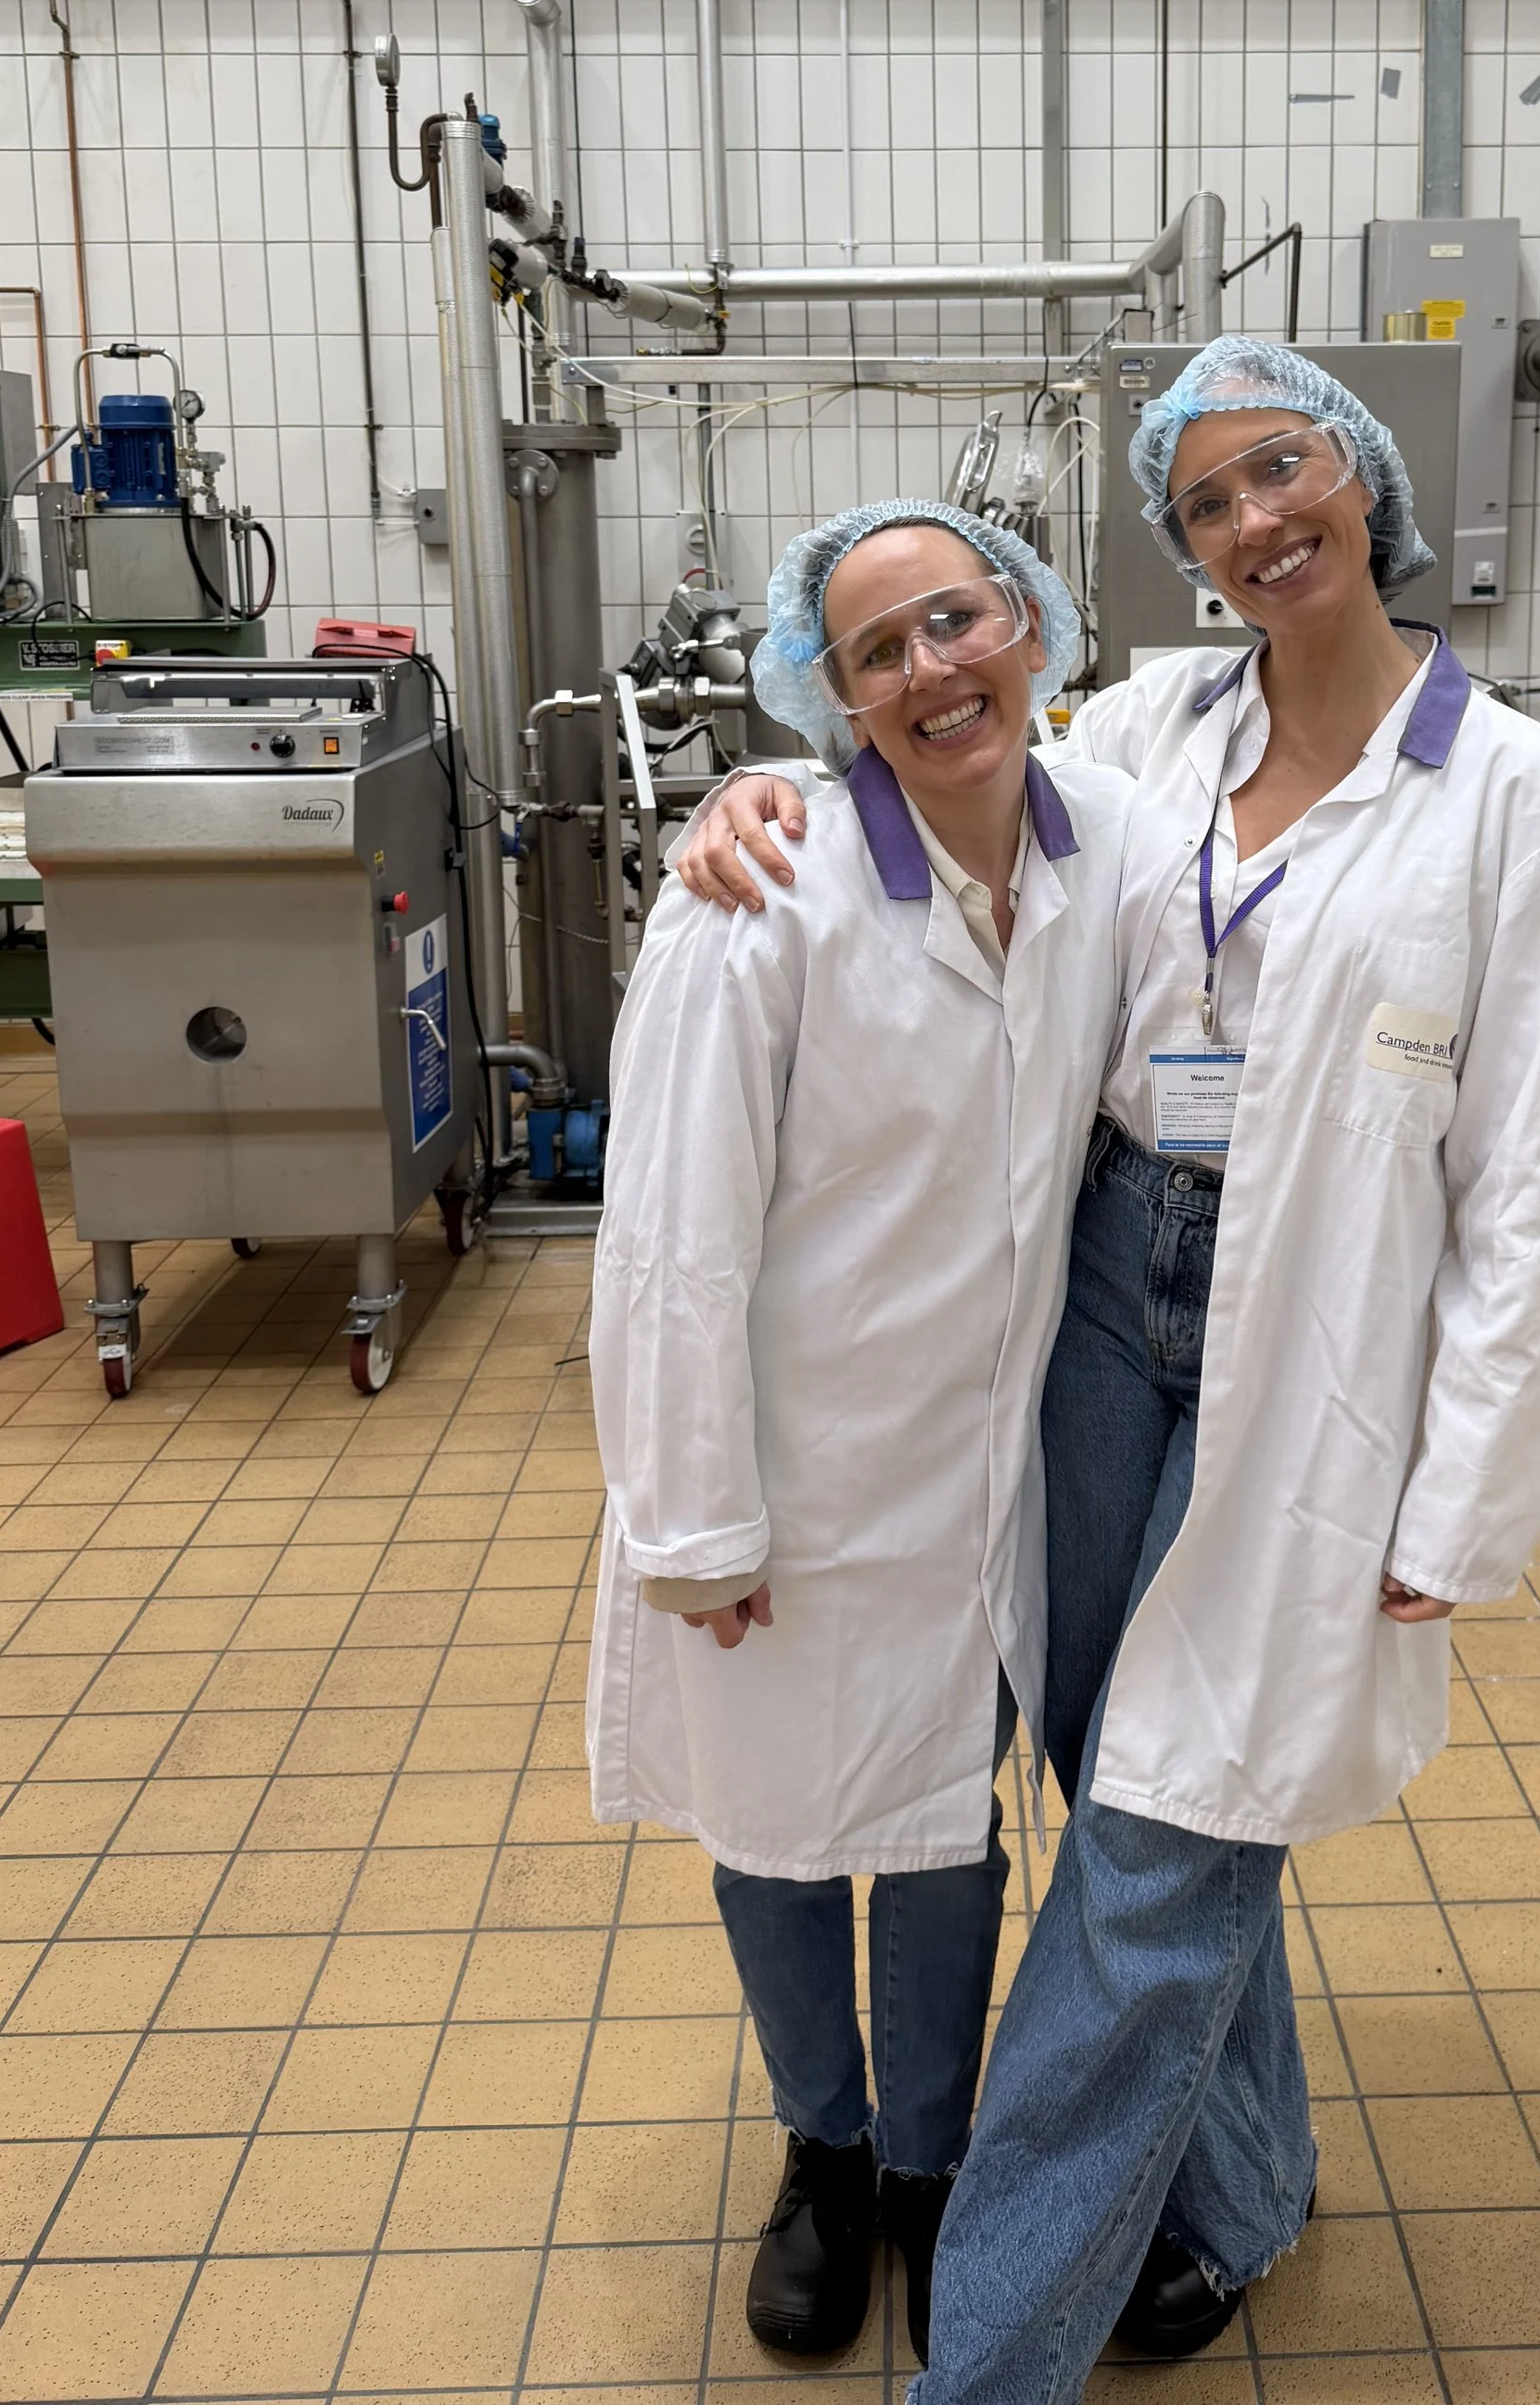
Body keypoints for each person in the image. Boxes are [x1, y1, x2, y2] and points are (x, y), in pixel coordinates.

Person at [676, 340, 1540, 2400]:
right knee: (1135, 1765)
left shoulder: (1514, 791)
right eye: (1203, 503)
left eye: (1280, 470)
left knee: (1168, 1835)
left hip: (1318, 1311)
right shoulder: (1152, 721)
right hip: (1111, 1283)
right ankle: (1241, 2185)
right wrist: (756, 792)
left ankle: (984, 2351)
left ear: (1361, 478)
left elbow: (1526, 1178)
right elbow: (943, 771)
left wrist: (1464, 1496)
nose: (1252, 521)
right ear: (1175, 554)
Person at [585, 500, 1133, 2371]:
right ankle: (820, 2151)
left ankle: (927, 2158)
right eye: (876, 649)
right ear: (828, 694)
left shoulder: (1103, 843)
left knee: (942, 1819)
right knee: (774, 1823)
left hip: (982, 1474)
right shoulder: (763, 891)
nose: (930, 669)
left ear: (1034, 629)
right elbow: (667, 1230)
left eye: (955, 619)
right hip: (790, 1468)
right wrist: (693, 1518)